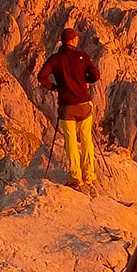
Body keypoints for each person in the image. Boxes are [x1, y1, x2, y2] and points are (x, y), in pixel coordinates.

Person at [37, 27, 101, 188]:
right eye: (76, 38)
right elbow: (96, 76)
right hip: (83, 104)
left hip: (66, 107)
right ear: (72, 40)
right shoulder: (82, 56)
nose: (78, 40)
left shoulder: (55, 59)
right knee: (86, 138)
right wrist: (83, 79)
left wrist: (54, 87)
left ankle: (75, 177)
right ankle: (89, 175)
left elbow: (41, 77)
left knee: (70, 141)